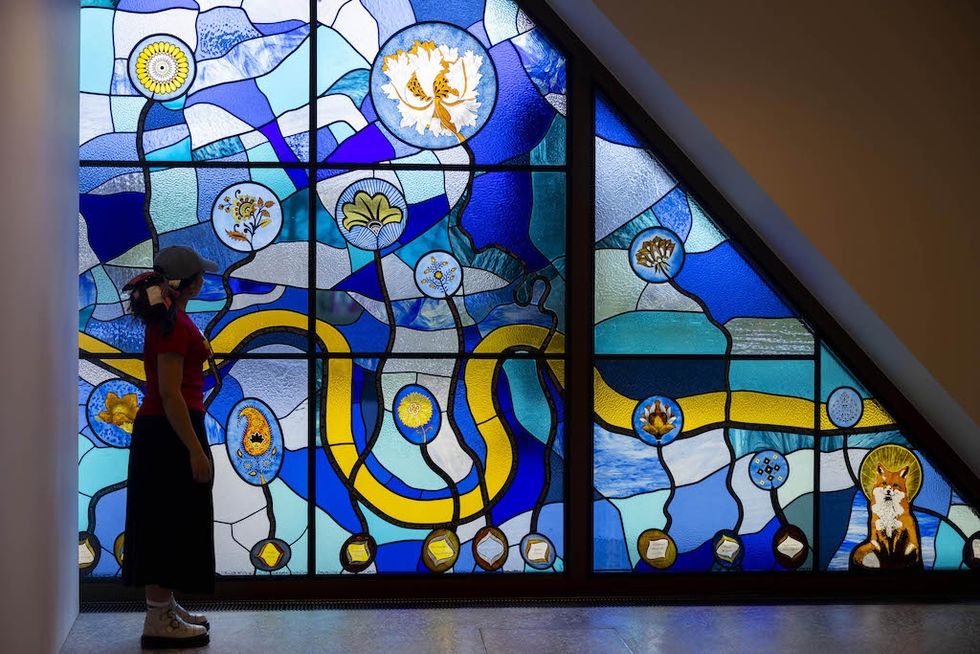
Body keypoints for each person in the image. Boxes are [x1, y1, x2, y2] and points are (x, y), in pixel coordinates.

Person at [121, 246, 218, 650]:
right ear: (186, 283)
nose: (203, 280)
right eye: (199, 276)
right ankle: (158, 620)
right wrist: (195, 451)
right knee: (167, 521)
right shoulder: (172, 326)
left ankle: (165, 606)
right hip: (170, 432)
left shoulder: (171, 320)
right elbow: (169, 392)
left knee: (170, 518)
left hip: (165, 430)